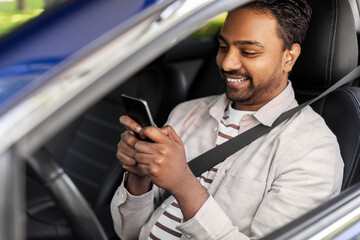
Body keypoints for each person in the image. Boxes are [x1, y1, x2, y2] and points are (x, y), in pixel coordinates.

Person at [111, 0, 344, 239]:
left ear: (289, 57)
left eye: (248, 52)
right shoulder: (187, 113)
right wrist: (139, 178)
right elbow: (129, 233)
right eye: (223, 47)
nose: (227, 63)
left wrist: (183, 184)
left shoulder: (313, 150)